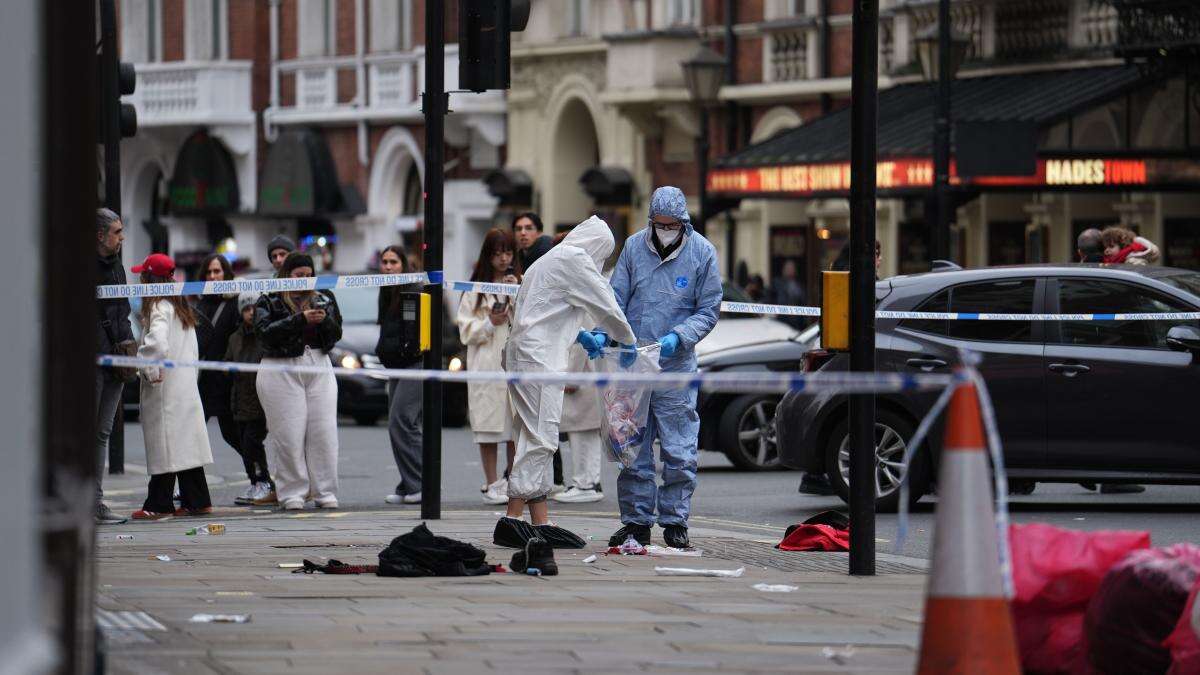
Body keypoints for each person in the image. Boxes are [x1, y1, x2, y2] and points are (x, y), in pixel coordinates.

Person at [495, 215, 636, 575]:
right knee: (542, 436)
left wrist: (581, 336)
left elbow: (545, 311)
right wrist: (628, 340)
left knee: (530, 433)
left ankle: (540, 523)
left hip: (525, 354)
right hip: (539, 361)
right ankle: (512, 519)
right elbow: (605, 303)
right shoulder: (575, 260)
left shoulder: (550, 259)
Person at [607, 186, 723, 549]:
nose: (665, 229)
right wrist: (605, 334)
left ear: (683, 222)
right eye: (660, 223)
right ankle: (637, 522)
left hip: (675, 367)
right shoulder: (633, 248)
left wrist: (680, 337)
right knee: (632, 447)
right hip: (635, 366)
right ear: (652, 220)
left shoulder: (702, 253)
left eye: (672, 224)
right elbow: (615, 299)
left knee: (679, 448)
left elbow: (708, 309)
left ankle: (675, 520)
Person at [254, 252, 343, 510]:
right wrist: (299, 320)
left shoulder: (325, 297)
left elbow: (337, 332)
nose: (304, 280)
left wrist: (324, 320)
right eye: (298, 276)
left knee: (324, 432)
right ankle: (292, 492)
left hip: (318, 363)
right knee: (289, 434)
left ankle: (324, 491)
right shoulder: (269, 299)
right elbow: (264, 335)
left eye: (308, 275)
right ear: (287, 276)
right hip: (280, 366)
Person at [129, 254, 214, 520]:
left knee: (164, 446)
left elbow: (158, 345)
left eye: (143, 274)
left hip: (164, 388)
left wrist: (145, 366)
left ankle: (158, 503)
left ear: (149, 278)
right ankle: (197, 500)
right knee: (186, 446)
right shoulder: (180, 306)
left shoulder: (158, 306)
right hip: (185, 386)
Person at [456, 231, 520, 505]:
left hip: (513, 362)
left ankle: (513, 479)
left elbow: (529, 321)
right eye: (498, 253)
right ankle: (492, 482)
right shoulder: (474, 289)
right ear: (488, 255)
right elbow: (465, 330)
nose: (504, 258)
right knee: (488, 427)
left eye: (508, 252)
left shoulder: (519, 283)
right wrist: (489, 323)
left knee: (514, 426)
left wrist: (516, 293)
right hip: (485, 363)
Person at [376, 245, 425, 505]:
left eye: (393, 261)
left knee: (402, 421)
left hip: (415, 363)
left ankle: (419, 483)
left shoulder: (411, 291)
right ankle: (408, 484)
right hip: (396, 364)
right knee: (400, 425)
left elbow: (413, 331)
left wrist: (408, 351)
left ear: (404, 264)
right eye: (384, 262)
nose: (388, 266)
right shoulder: (387, 291)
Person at [194, 253, 245, 501]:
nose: (213, 277)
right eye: (209, 272)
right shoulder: (200, 303)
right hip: (202, 381)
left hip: (226, 381)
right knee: (192, 435)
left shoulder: (235, 303)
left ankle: (262, 480)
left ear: (226, 274)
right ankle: (192, 490)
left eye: (218, 272)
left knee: (232, 433)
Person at [95, 208, 134, 524]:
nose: (122, 238)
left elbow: (123, 312)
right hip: (92, 361)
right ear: (100, 235)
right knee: (85, 433)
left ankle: (94, 502)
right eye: (117, 232)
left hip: (117, 361)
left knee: (102, 431)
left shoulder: (118, 267)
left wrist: (130, 349)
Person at [223, 292, 275, 505]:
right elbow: (227, 362)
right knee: (246, 446)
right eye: (246, 309)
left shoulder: (264, 335)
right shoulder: (235, 338)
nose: (251, 313)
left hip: (260, 400)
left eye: (254, 308)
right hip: (240, 400)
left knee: (252, 443)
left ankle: (264, 481)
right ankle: (255, 482)